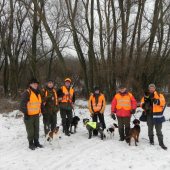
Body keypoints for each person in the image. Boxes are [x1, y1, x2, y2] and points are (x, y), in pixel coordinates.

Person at [19, 78, 45, 150]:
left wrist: (43, 111)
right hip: (29, 115)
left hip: (36, 115)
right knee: (30, 130)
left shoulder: (38, 92)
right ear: (30, 84)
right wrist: (25, 113)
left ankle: (36, 142)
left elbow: (41, 103)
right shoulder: (27, 92)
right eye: (34, 84)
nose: (35, 85)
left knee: (36, 129)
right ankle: (31, 143)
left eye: (36, 84)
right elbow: (22, 104)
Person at [140, 84, 167, 150]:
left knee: (158, 130)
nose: (151, 89)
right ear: (149, 89)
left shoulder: (159, 95)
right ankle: (151, 141)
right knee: (150, 128)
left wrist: (156, 101)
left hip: (157, 115)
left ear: (155, 89)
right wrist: (144, 106)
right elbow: (141, 104)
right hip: (149, 114)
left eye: (153, 88)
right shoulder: (145, 96)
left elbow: (163, 103)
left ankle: (161, 143)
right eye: (150, 88)